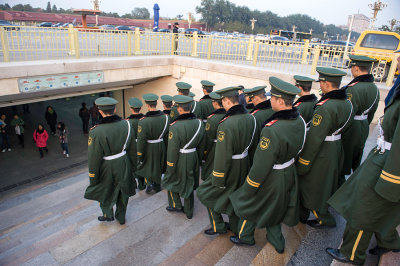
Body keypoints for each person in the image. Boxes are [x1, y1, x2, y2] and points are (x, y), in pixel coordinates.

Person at [326, 73, 400, 266]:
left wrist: (392, 181)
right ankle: (388, 241)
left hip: (389, 165)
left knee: (362, 209)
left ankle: (352, 253)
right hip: (384, 155)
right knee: (374, 206)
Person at [230, 77, 306, 253]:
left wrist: (250, 186)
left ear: (280, 101)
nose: (269, 99)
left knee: (251, 203)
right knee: (276, 206)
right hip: (289, 170)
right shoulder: (299, 121)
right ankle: (276, 239)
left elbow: (262, 165)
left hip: (272, 175)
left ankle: (245, 236)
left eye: (272, 97)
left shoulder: (272, 129)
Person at [296, 67, 353, 228]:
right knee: (327, 182)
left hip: (323, 151)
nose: (320, 86)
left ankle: (323, 217)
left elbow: (315, 138)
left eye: (321, 82)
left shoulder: (325, 107)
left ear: (327, 84)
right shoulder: (347, 102)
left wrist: (304, 161)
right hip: (336, 146)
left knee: (314, 185)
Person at [197, 86, 257, 236]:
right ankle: (236, 228)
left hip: (230, 167)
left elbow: (223, 155)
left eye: (222, 100)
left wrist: (218, 178)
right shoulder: (251, 117)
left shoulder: (226, 124)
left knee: (205, 193)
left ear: (225, 101)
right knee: (234, 196)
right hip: (244, 164)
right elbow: (253, 145)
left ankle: (218, 226)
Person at [84, 97, 137, 225]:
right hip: (123, 162)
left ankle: (107, 214)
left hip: (106, 166)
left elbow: (94, 158)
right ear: (115, 109)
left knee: (104, 189)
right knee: (123, 191)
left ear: (100, 112)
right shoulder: (127, 124)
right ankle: (121, 217)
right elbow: (132, 150)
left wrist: (93, 177)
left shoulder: (95, 131)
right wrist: (133, 169)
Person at [162, 95, 205, 219]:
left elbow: (172, 150)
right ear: (191, 107)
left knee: (171, 180)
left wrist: (170, 165)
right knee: (189, 183)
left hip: (180, 158)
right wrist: (199, 159)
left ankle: (179, 206)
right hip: (194, 156)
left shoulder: (175, 126)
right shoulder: (199, 123)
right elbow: (201, 145)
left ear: (179, 109)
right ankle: (188, 209)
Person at [339, 55, 380, 187]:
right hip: (363, 125)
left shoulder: (353, 88)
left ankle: (342, 189)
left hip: (351, 127)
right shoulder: (374, 88)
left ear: (356, 68)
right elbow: (372, 111)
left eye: (352, 67)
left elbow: (348, 112)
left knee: (343, 160)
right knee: (357, 157)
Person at [136, 93, 169, 194]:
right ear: (156, 103)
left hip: (149, 147)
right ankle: (157, 185)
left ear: (147, 105)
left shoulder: (143, 121)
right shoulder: (166, 118)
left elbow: (141, 140)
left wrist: (139, 154)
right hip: (161, 145)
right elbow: (167, 136)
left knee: (148, 165)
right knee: (158, 164)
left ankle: (149, 183)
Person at [201, 92, 226, 181]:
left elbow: (208, 137)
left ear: (215, 103)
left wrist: (205, 151)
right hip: (226, 147)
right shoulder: (228, 115)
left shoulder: (212, 118)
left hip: (214, 147)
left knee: (210, 168)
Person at [127, 97, 145, 190]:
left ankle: (140, 184)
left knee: (135, 165)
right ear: (140, 108)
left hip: (133, 146)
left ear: (131, 108)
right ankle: (144, 183)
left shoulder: (128, 122)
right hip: (144, 145)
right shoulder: (144, 119)